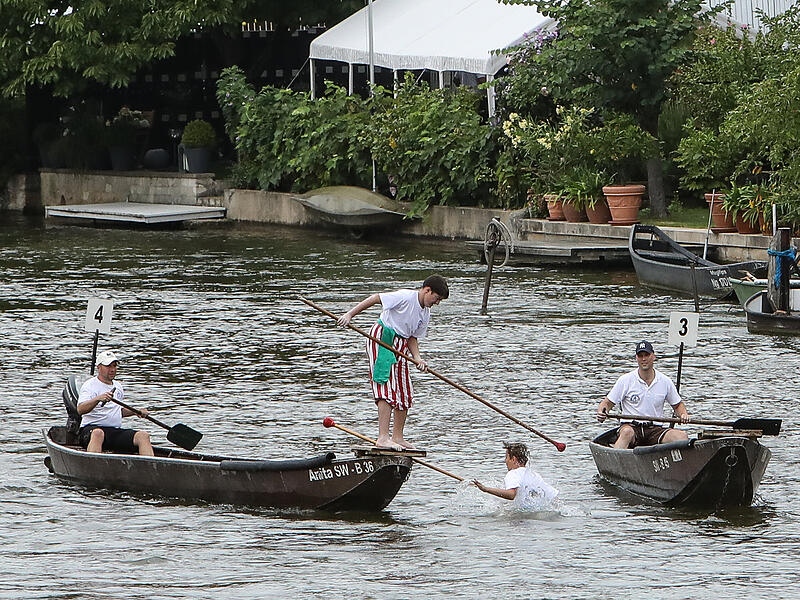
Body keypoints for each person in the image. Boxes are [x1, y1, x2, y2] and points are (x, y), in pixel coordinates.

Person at [337, 274, 449, 450]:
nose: (437, 303)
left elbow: (412, 338)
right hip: (383, 338)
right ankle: (383, 437)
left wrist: (417, 359)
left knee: (404, 390)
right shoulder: (405, 297)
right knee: (386, 386)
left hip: (401, 345)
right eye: (437, 298)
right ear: (427, 290)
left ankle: (397, 437)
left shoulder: (425, 314)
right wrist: (350, 315)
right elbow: (375, 298)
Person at [596, 340, 690, 449]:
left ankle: (679, 464)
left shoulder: (665, 381)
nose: (644, 359)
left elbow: (678, 405)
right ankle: (616, 461)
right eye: (640, 356)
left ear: (653, 356)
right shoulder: (625, 380)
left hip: (655, 429)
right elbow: (607, 403)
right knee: (626, 433)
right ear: (636, 358)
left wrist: (683, 414)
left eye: (647, 355)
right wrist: (602, 412)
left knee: (682, 436)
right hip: (631, 427)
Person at [77, 350, 154, 456]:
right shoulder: (89, 385)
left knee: (143, 436)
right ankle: (92, 468)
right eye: (108, 366)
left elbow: (119, 412)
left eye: (114, 366)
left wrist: (136, 412)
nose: (112, 370)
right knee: (98, 433)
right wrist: (98, 399)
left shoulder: (118, 386)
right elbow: (80, 410)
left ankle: (149, 469)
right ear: (99, 367)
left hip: (113, 431)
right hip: (91, 431)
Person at [472, 442, 558, 508]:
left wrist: (485, 489)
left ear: (513, 459)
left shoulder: (513, 473)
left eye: (506, 457)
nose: (505, 461)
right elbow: (553, 497)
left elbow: (511, 495)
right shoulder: (534, 475)